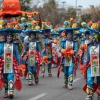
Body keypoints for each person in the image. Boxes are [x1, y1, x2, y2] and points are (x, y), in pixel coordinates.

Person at [0, 28, 22, 99]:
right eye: (8, 36)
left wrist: (20, 63)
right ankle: (6, 91)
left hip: (12, 63)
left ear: (12, 37)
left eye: (10, 36)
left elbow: (17, 54)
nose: (9, 37)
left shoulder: (14, 45)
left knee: (10, 77)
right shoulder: (2, 44)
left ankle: (11, 91)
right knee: (5, 78)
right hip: (3, 64)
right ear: (6, 36)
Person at [80, 32, 100, 100]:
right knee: (89, 79)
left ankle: (99, 93)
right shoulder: (89, 45)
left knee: (99, 81)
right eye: (92, 36)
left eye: (95, 36)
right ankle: (90, 95)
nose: (93, 38)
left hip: (99, 65)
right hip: (91, 64)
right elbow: (87, 56)